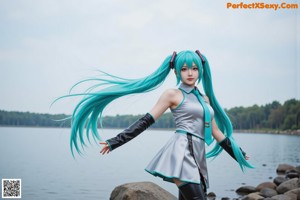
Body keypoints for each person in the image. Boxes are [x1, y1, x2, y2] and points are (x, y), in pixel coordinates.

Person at [66, 50, 254, 200]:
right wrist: (115, 141)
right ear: (176, 71)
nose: (190, 73)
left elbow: (216, 132)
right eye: (185, 68)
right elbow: (145, 120)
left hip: (198, 156)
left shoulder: (204, 98)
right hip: (181, 154)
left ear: (200, 71)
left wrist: (238, 152)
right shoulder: (172, 94)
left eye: (195, 68)